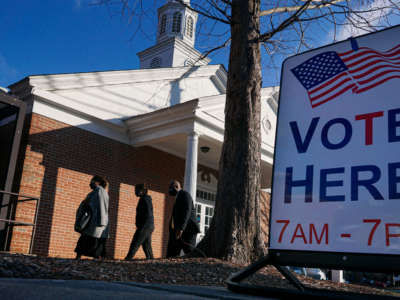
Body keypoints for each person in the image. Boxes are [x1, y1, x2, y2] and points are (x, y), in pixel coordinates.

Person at [75, 175, 109, 259]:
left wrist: (102, 222)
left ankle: (95, 258)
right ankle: (79, 257)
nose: (90, 183)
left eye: (92, 181)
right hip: (92, 222)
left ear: (97, 182)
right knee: (87, 240)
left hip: (96, 222)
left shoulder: (100, 191)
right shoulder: (96, 192)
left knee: (93, 241)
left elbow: (102, 206)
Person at [166, 180, 200, 258]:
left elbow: (186, 212)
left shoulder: (185, 195)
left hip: (188, 231)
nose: (170, 191)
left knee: (190, 253)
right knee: (171, 253)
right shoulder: (178, 197)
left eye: (171, 189)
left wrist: (181, 228)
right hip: (177, 231)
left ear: (177, 187)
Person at [125, 183, 154, 260]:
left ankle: (127, 259)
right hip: (147, 226)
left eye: (136, 190)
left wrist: (143, 227)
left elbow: (148, 213)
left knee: (135, 243)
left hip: (145, 226)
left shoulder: (145, 199)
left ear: (142, 191)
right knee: (146, 246)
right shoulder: (146, 199)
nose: (135, 192)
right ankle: (151, 261)